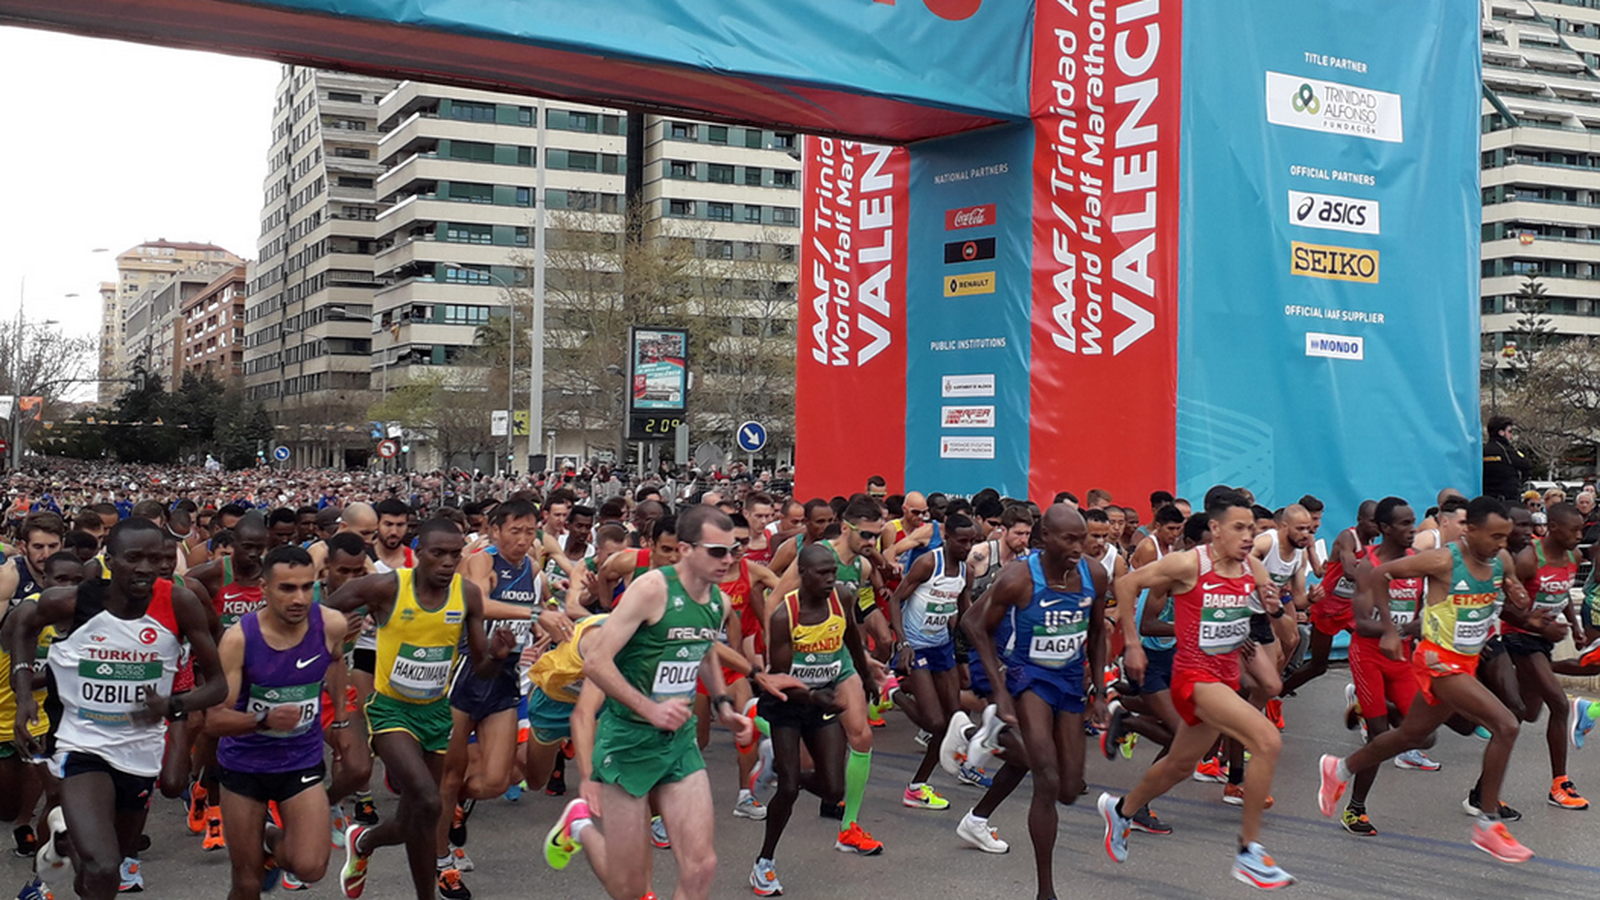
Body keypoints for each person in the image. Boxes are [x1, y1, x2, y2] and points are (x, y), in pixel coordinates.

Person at [543, 506, 758, 900]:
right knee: (629, 889)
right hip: (628, 742)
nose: (728, 560)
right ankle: (579, 826)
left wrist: (725, 705)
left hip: (678, 744)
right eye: (717, 551)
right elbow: (596, 663)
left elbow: (704, 648)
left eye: (734, 550)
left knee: (702, 866)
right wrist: (650, 708)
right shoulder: (652, 589)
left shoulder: (717, 601)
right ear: (685, 549)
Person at [9, 518, 228, 900]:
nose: (145, 568)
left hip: (141, 753)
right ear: (109, 559)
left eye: (156, 558)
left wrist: (172, 704)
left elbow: (218, 685)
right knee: (104, 868)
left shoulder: (180, 602)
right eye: (133, 558)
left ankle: (63, 843)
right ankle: (70, 841)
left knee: (103, 871)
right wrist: (25, 692)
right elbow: (24, 623)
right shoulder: (74, 601)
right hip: (83, 746)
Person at [1317, 496, 1536, 864]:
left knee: (1412, 736)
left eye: (1505, 537)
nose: (1501, 544)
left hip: (1465, 662)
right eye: (1494, 536)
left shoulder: (1501, 559)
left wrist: (1518, 596)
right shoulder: (1442, 560)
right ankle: (1487, 823)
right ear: (1469, 530)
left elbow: (1513, 592)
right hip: (1436, 661)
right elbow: (1378, 574)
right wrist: (1389, 629)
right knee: (1507, 725)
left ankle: (1338, 768)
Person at [1100, 491, 1294, 890]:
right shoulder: (1188, 564)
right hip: (1193, 677)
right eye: (1239, 528)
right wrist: (1132, 643)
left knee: (1180, 765)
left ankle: (1121, 810)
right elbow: (1126, 583)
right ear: (1215, 529)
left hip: (1224, 677)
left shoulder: (1253, 567)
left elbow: (1262, 615)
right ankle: (1249, 851)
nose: (1247, 536)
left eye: (1253, 530)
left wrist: (1271, 607)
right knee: (1267, 741)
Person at [326, 519, 517, 900]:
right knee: (430, 800)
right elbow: (322, 610)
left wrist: (497, 656)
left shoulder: (467, 595)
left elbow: (480, 668)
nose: (448, 562)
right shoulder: (388, 586)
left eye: (455, 554)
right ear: (419, 553)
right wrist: (336, 627)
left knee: (416, 819)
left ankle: (364, 843)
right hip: (390, 711)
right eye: (438, 553)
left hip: (435, 713)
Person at [967, 505, 1107, 900]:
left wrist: (1099, 690)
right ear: (1044, 539)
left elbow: (1097, 633)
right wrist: (998, 689)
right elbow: (974, 625)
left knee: (1069, 787)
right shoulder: (1018, 578)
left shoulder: (1094, 575)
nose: (1081, 546)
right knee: (1045, 780)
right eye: (1070, 539)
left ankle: (998, 739)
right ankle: (1046, 891)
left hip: (1067, 678)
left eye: (1083, 538)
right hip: (1028, 675)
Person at [207, 545, 350, 899]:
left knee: (311, 867)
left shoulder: (331, 624)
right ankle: (262, 842)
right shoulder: (239, 639)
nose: (300, 598)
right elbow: (214, 720)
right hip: (244, 766)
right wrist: (262, 719)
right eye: (287, 588)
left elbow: (333, 661)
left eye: (307, 587)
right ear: (264, 588)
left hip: (300, 760)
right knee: (247, 881)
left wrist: (343, 721)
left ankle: (268, 838)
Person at [748, 543, 879, 894]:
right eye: (822, 573)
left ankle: (775, 768)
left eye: (833, 572)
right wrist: (810, 696)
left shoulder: (843, 597)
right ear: (802, 575)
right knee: (789, 790)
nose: (829, 579)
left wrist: (866, 677)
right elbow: (778, 680)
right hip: (789, 703)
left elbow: (852, 636)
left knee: (833, 789)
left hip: (822, 698)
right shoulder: (784, 617)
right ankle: (765, 863)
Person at [436, 500, 549, 897]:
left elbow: (546, 607)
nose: (522, 540)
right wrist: (534, 614)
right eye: (515, 531)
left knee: (498, 780)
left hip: (504, 675)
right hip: (466, 670)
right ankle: (442, 862)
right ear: (495, 530)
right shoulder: (482, 561)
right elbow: (477, 605)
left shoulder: (532, 569)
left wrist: (548, 627)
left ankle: (445, 808)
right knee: (449, 776)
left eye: (530, 532)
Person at [1338, 497, 1428, 836]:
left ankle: (1367, 706)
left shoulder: (1418, 563)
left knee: (1422, 735)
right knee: (1380, 736)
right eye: (1404, 524)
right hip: (1369, 655)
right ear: (1386, 528)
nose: (1412, 529)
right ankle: (1355, 810)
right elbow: (1362, 623)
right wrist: (1405, 629)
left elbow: (1424, 611)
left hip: (1402, 658)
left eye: (1414, 522)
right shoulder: (1367, 566)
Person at [886, 513, 978, 810]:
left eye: (972, 541)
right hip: (917, 647)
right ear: (947, 537)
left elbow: (966, 613)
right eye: (962, 541)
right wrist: (903, 643)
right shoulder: (929, 563)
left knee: (952, 720)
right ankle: (893, 692)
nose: (967, 546)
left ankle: (915, 788)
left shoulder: (966, 571)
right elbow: (895, 600)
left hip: (942, 646)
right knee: (935, 723)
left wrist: (974, 646)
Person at [1505, 501, 1588, 811]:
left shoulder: (1573, 557)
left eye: (1582, 529)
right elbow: (1506, 605)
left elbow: (1564, 591)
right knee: (1558, 703)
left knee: (1523, 713)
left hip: (1544, 639)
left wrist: (1576, 625)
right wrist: (1531, 623)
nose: (1580, 535)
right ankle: (1560, 785)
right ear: (1553, 528)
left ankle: (1481, 787)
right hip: (1520, 637)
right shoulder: (1528, 559)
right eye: (1575, 529)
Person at [1280, 500, 1379, 698]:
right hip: (1327, 608)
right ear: (1360, 520)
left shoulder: (1372, 542)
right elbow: (1350, 572)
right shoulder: (1347, 537)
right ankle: (1276, 692)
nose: (1377, 526)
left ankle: (1365, 697)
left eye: (1380, 522)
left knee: (1377, 650)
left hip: (1351, 609)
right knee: (1318, 666)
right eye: (1373, 522)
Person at [1483, 416, 1533, 503]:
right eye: (1510, 431)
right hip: (1507, 499)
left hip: (1486, 498)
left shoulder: (1483, 450)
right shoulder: (1506, 450)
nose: (1511, 436)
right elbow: (1526, 465)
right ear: (1501, 433)